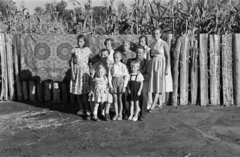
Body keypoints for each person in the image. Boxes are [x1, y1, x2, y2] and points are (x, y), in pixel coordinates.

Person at [148, 28, 170, 111]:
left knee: (159, 82)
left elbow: (168, 57)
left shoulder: (164, 43)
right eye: (154, 33)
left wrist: (167, 69)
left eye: (157, 33)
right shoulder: (152, 44)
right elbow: (149, 53)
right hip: (154, 63)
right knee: (154, 82)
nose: (155, 35)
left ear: (160, 34)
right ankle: (160, 103)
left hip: (161, 64)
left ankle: (154, 104)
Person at [70, 34, 92, 119]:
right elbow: (72, 62)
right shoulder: (74, 50)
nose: (79, 43)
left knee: (85, 92)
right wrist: (72, 72)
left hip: (85, 72)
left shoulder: (88, 50)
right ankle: (81, 108)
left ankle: (87, 109)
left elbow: (90, 62)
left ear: (84, 42)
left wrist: (90, 72)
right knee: (78, 91)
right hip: (77, 71)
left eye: (81, 41)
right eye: (78, 41)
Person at [127, 46, 151, 121]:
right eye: (137, 52)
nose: (138, 54)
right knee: (125, 92)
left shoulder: (147, 62)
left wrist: (139, 75)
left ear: (143, 53)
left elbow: (148, 75)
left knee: (143, 93)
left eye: (140, 53)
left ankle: (142, 114)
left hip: (142, 82)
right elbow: (127, 72)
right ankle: (128, 113)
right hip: (131, 82)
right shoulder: (130, 61)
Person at [90, 49, 113, 121]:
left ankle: (106, 113)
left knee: (109, 96)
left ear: (108, 55)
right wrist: (92, 85)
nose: (103, 56)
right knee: (92, 96)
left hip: (108, 85)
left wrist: (109, 86)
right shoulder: (97, 64)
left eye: (105, 55)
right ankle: (93, 113)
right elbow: (92, 75)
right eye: (101, 55)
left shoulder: (111, 64)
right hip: (97, 85)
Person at [109, 51, 129, 121]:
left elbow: (126, 76)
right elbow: (110, 76)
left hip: (120, 82)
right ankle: (116, 113)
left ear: (120, 58)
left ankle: (120, 113)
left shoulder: (123, 66)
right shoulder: (111, 66)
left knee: (120, 99)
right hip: (114, 82)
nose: (116, 59)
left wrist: (124, 86)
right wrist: (111, 86)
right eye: (114, 58)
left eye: (117, 58)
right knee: (115, 99)